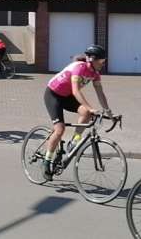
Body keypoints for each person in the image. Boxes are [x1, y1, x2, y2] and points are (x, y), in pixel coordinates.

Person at [41, 45, 112, 181]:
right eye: (102, 61)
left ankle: (74, 141)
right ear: (92, 60)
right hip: (53, 94)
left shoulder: (95, 74)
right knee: (60, 130)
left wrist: (108, 111)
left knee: (86, 113)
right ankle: (46, 160)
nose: (103, 64)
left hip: (67, 96)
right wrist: (90, 107)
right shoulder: (79, 67)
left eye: (104, 61)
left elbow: (100, 93)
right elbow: (76, 91)